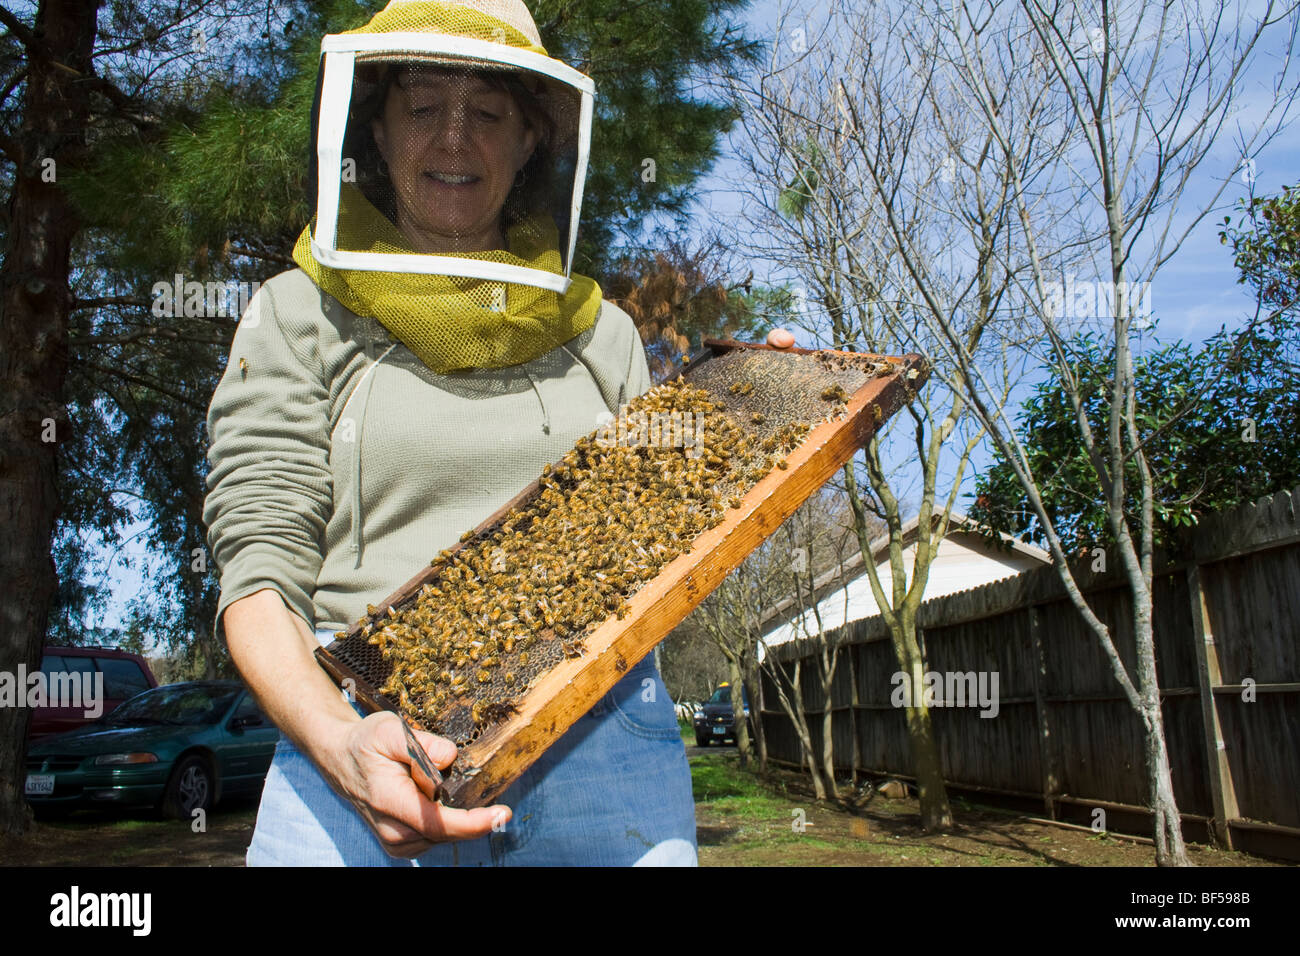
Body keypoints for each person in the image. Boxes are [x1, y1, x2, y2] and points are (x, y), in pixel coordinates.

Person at [203, 0, 698, 866]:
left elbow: (679, 560)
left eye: (490, 113)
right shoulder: (298, 313)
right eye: (424, 105)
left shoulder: (605, 336)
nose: (455, 139)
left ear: (533, 137)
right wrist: (339, 744)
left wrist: (745, 423)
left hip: (605, 746)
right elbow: (260, 574)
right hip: (358, 739)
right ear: (380, 129)